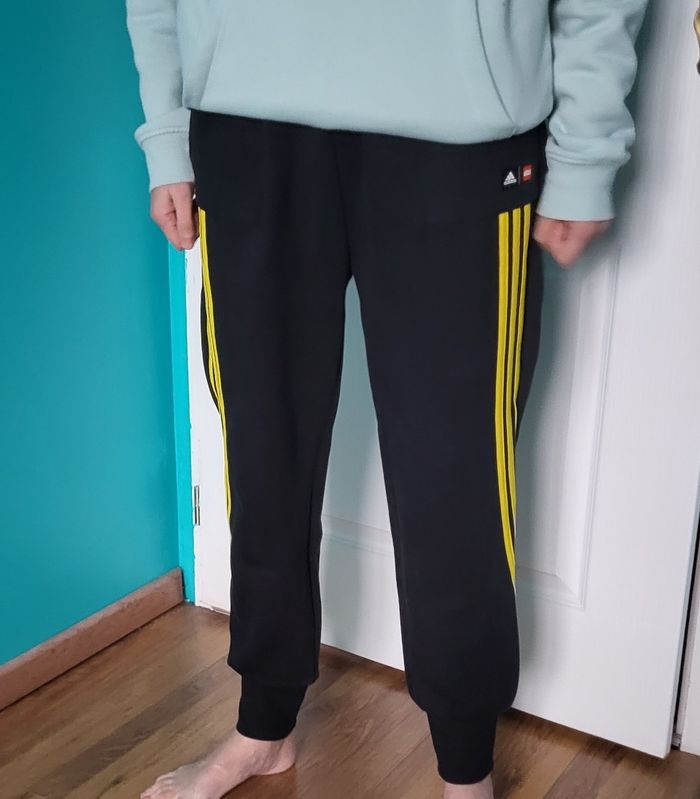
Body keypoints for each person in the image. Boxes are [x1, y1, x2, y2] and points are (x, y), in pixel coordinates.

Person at [126, 3, 649, 798]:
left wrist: (586, 149)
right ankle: (264, 727)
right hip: (244, 120)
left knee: (454, 475)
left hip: (460, 123)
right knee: (264, 453)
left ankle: (466, 773)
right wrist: (167, 131)